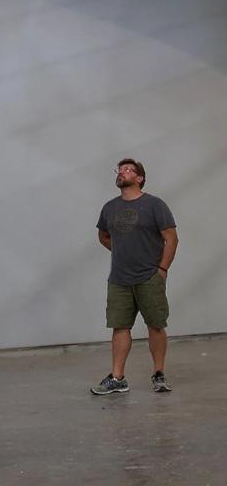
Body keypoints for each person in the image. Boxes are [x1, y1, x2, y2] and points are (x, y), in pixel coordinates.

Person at [90, 158, 178, 396]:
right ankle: (117, 378)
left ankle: (158, 374)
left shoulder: (154, 205)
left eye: (128, 169)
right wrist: (122, 252)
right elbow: (103, 236)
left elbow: (171, 238)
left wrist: (162, 269)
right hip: (119, 279)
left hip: (149, 276)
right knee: (119, 327)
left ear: (139, 178)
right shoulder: (109, 208)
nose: (122, 172)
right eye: (120, 169)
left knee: (156, 325)